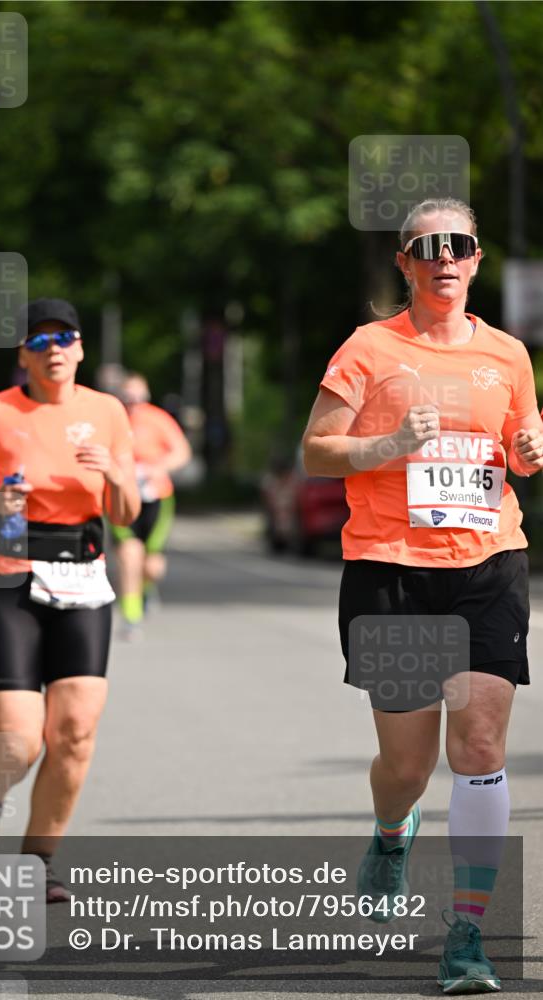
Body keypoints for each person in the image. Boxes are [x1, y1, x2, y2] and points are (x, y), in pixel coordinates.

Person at [302, 198, 543, 994]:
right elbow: (317, 451)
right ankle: (390, 830)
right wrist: (389, 445)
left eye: (460, 245)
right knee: (405, 765)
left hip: (487, 563)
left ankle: (466, 935)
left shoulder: (507, 354)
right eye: (427, 246)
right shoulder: (369, 349)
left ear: (476, 260)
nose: (445, 257)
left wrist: (532, 450)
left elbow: (518, 447)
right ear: (404, 263)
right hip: (391, 568)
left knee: (476, 751)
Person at [0, 298, 140, 901]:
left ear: (80, 349)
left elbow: (126, 514)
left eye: (64, 338)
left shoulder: (107, 413)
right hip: (8, 580)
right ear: (23, 354)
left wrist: (114, 473)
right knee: (18, 743)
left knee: (76, 731)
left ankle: (38, 863)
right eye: (40, 340)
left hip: (82, 577)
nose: (53, 349)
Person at [110, 372, 191, 636]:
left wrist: (159, 467)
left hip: (156, 497)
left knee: (152, 567)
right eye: (127, 397)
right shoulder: (111, 419)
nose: (133, 402)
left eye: (138, 397)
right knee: (129, 555)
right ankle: (131, 617)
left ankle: (145, 589)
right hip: (121, 497)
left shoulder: (157, 419)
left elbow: (181, 452)